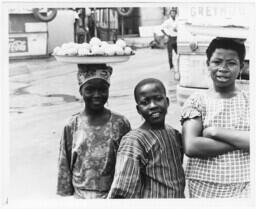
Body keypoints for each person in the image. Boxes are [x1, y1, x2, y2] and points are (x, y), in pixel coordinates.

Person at [181, 38, 250, 198]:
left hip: (245, 184)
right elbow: (191, 146)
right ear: (207, 64)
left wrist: (214, 131)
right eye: (217, 62)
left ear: (242, 66)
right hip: (204, 185)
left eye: (231, 63)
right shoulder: (197, 100)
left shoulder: (249, 101)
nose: (223, 68)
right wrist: (241, 141)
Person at [57, 64, 131, 198]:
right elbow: (64, 162)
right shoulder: (72, 124)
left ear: (108, 89)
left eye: (102, 89)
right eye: (90, 90)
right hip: (80, 196)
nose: (96, 95)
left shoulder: (120, 123)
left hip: (112, 195)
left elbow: (128, 162)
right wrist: (66, 195)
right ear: (81, 91)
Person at [108, 78, 185, 198]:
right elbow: (123, 189)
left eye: (158, 99)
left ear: (167, 101)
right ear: (138, 109)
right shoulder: (134, 141)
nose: (153, 106)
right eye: (145, 102)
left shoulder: (174, 134)